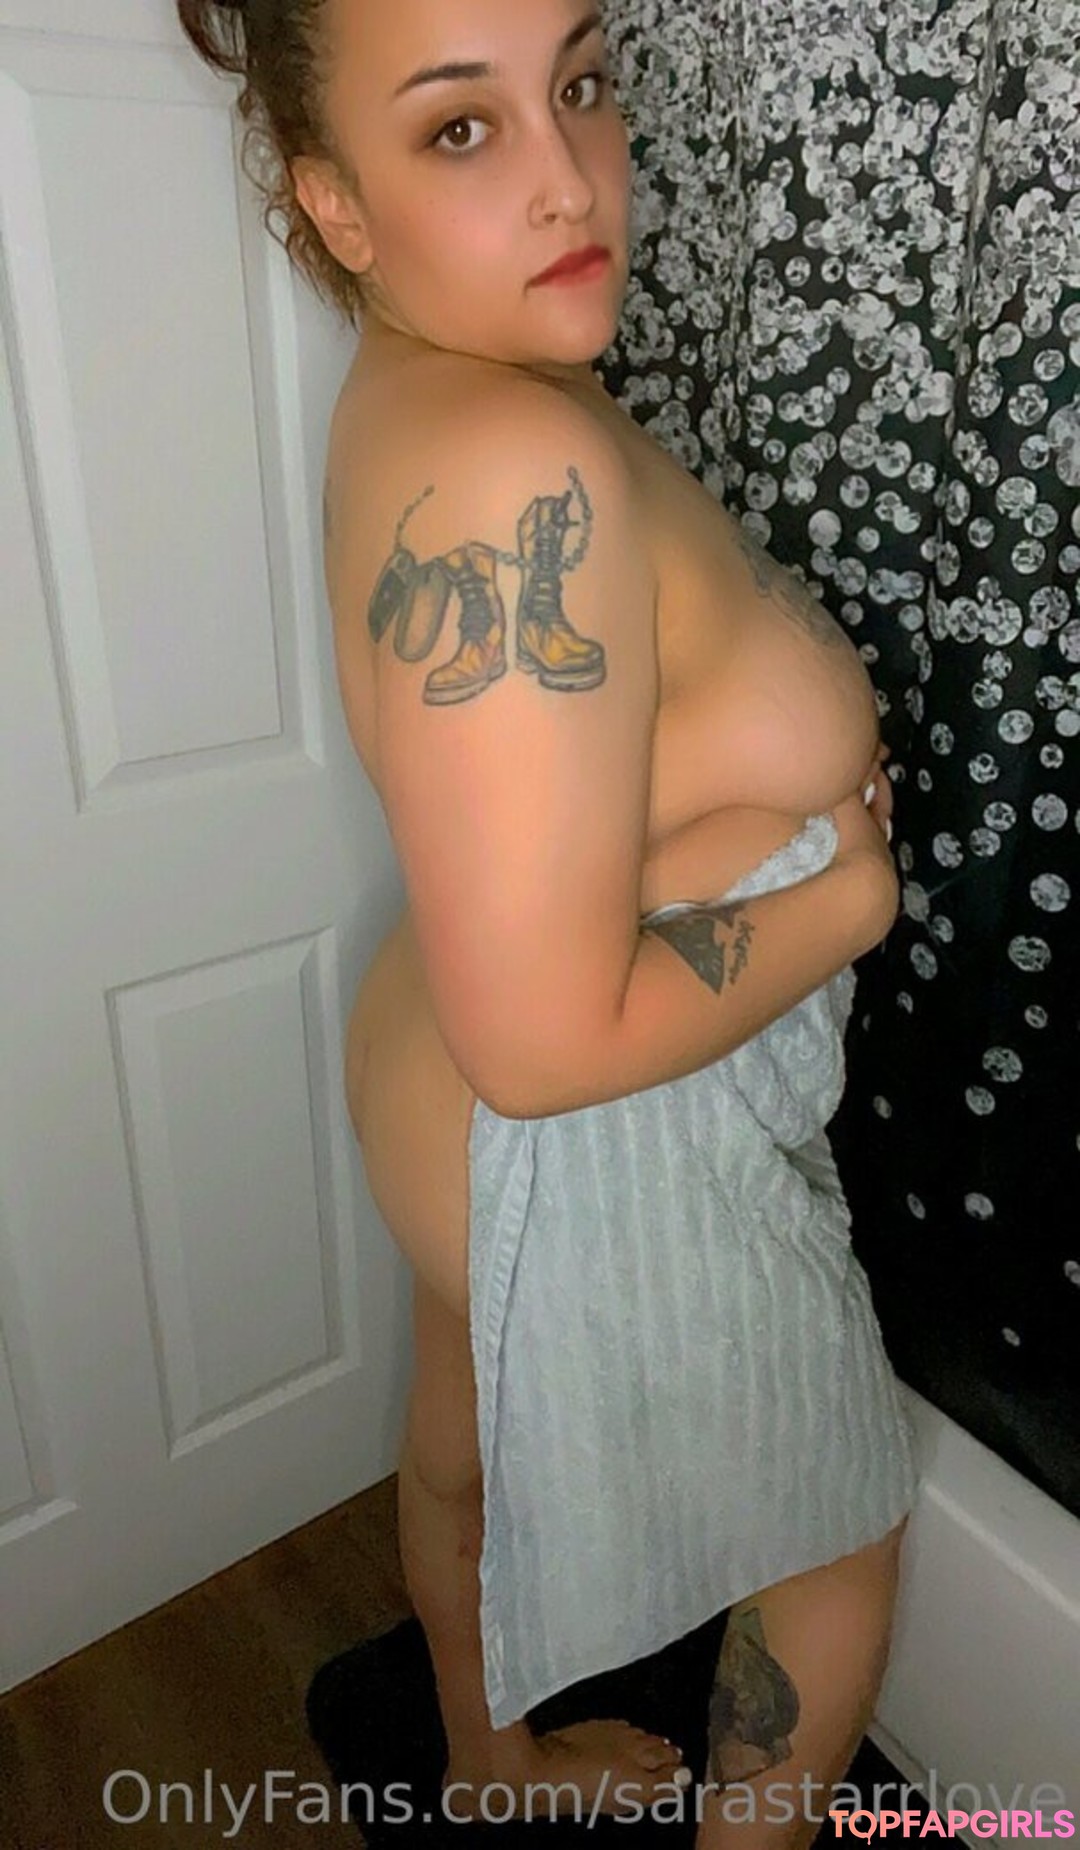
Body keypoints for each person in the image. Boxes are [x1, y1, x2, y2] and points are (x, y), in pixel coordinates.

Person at [178, 2, 921, 1842]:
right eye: (461, 128)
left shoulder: (434, 393)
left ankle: (488, 1763)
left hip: (436, 1074)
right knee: (832, 1533)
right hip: (578, 1126)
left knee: (466, 1439)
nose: (568, 175)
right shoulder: (520, 469)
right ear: (335, 200)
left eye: (578, 85)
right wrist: (849, 894)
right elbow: (547, 1041)